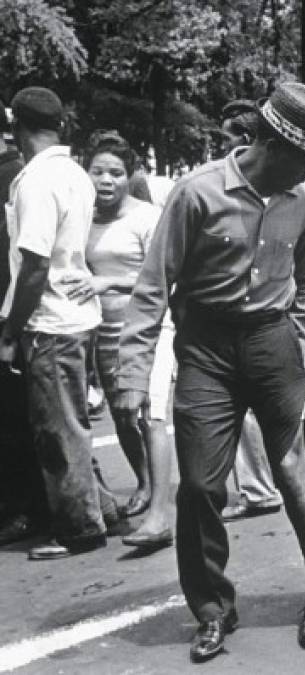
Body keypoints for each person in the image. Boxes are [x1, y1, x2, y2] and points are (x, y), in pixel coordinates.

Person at [116, 82, 305, 661]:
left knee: (292, 471)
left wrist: (296, 339)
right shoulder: (197, 194)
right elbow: (151, 287)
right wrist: (133, 374)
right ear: (271, 143)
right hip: (208, 351)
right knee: (198, 486)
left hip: (271, 346)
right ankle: (213, 608)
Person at [0, 87, 107, 560]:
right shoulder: (75, 172)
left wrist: (10, 328)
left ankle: (79, 528)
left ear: (15, 123)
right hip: (79, 316)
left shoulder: (34, 180)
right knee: (74, 421)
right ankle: (98, 507)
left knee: (57, 429)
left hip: (51, 320)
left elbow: (34, 266)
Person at [59, 133, 176, 548]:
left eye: (116, 172)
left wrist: (108, 280)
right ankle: (144, 484)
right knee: (123, 415)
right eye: (98, 171)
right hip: (102, 331)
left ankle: (162, 510)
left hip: (147, 329)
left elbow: (164, 276)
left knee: (149, 414)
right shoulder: (80, 216)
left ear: (130, 177)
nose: (106, 180)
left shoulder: (147, 217)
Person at [216, 99, 285, 523]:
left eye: (227, 139)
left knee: (248, 411)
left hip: (256, 318)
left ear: (246, 141)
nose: (222, 148)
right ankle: (261, 484)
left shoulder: (266, 192)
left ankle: (260, 487)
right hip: (258, 314)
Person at [0, 103, 49, 547]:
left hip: (15, 312)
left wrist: (10, 328)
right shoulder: (21, 171)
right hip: (18, 310)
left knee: (20, 417)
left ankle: (30, 509)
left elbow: (28, 260)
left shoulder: (18, 176)